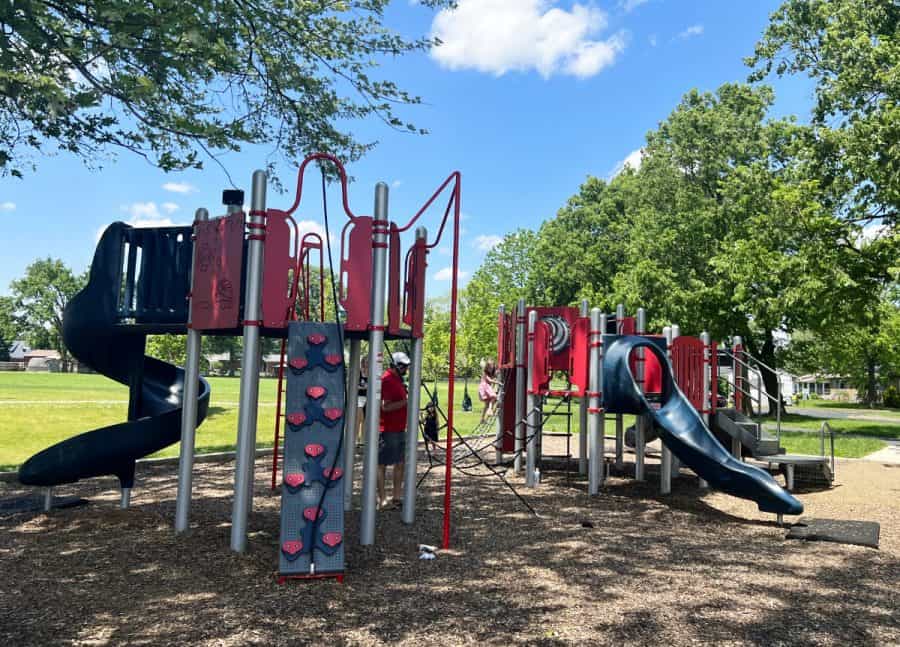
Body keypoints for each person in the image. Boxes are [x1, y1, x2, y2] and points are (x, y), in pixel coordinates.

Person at [378, 351, 410, 509]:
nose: (406, 370)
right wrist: (405, 403)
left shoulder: (397, 380)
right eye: (404, 367)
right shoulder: (387, 380)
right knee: (382, 463)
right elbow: (385, 406)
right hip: (387, 428)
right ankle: (382, 499)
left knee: (400, 462)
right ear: (396, 366)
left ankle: (396, 497)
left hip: (399, 427)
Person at [356, 354, 368, 446]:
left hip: (367, 398)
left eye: (367, 363)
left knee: (365, 419)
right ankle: (355, 438)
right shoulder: (358, 373)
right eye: (364, 363)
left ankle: (363, 439)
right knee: (358, 419)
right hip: (359, 398)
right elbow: (354, 386)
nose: (366, 365)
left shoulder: (370, 373)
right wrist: (362, 387)